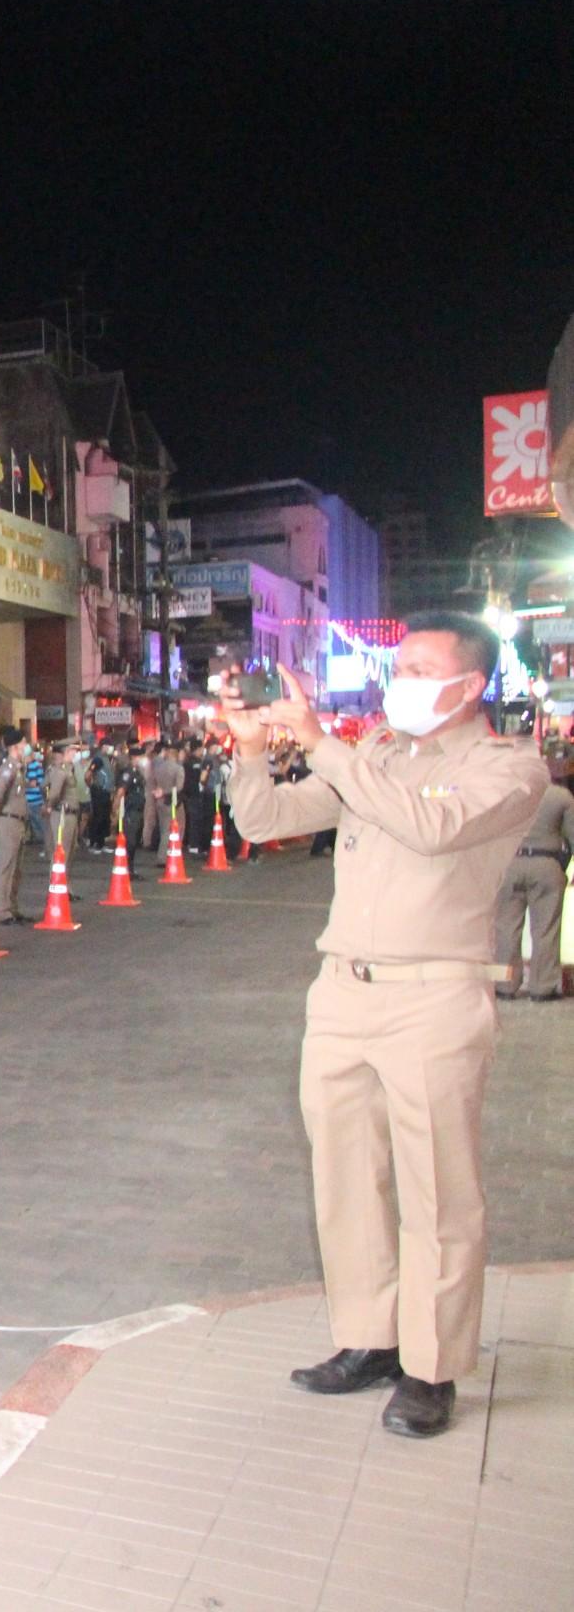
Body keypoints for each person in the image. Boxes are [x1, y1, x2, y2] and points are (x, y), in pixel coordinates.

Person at [224, 617, 547, 1439]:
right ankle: (369, 1337)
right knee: (344, 1176)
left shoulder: (507, 766)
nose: (398, 678)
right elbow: (265, 822)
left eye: (418, 668)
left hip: (433, 998)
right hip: (343, 993)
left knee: (439, 1190)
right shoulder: (377, 756)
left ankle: (432, 1367)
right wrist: (251, 750)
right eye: (398, 666)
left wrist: (323, 744)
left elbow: (430, 827)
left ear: (470, 684)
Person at [494, 778, 571, 1001]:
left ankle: (505, 984)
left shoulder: (507, 793)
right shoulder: (560, 796)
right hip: (546, 863)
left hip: (510, 862)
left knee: (506, 927)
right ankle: (543, 987)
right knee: (546, 929)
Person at [0, 728, 34, 925]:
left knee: (16, 868)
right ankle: (1, 911)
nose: (26, 746)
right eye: (24, 743)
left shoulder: (18, 767)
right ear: (15, 746)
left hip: (18, 821)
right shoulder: (8, 768)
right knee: (6, 867)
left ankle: (12, 907)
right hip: (8, 820)